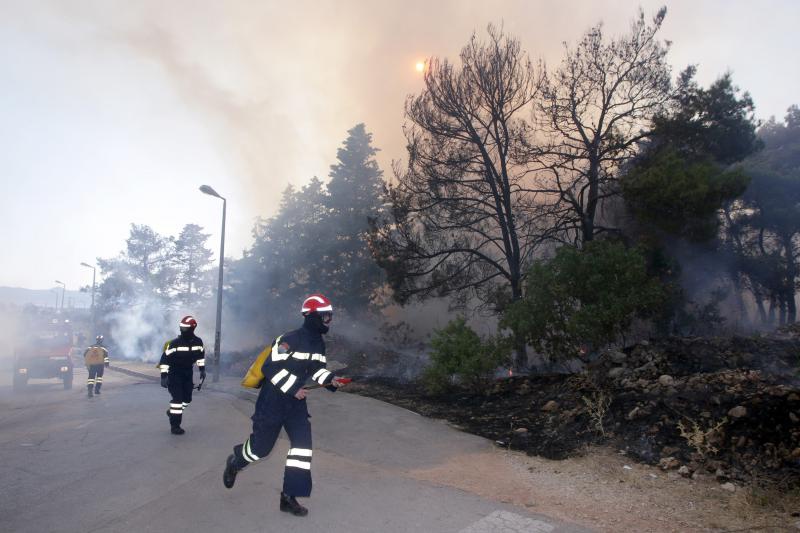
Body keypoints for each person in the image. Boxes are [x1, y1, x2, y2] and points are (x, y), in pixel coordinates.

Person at [222, 294, 348, 517]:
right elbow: (270, 368)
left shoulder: (318, 343)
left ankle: (289, 497)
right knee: (260, 450)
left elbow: (317, 370)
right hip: (272, 402)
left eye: (330, 316)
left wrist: (330, 380)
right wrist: (293, 388)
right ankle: (236, 461)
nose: (329, 320)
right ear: (311, 316)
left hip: (296, 406)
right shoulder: (288, 339)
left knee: (302, 449)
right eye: (325, 315)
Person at [158, 316, 205, 435]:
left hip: (187, 373)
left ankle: (172, 412)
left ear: (193, 328)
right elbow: (164, 359)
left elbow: (200, 357)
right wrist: (164, 376)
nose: (182, 330)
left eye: (185, 328)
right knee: (177, 401)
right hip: (174, 374)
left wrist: (202, 370)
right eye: (181, 327)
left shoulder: (198, 342)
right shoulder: (174, 343)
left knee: (187, 399)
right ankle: (175, 426)